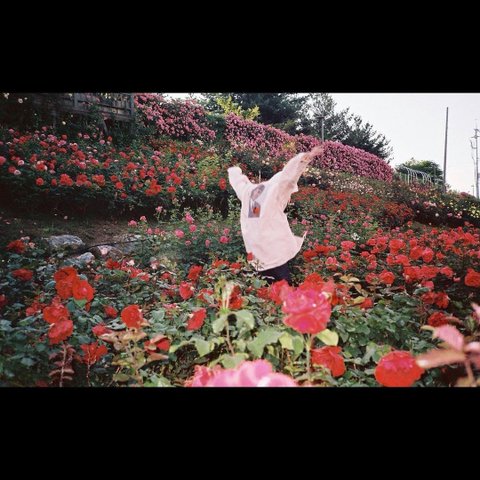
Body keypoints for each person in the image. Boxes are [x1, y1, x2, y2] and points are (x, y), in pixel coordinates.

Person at [228, 144, 324, 285]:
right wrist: (305, 158)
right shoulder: (275, 190)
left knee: (264, 288)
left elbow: (238, 183)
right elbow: (288, 176)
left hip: (257, 253)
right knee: (284, 288)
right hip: (273, 251)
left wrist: (234, 171)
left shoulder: (249, 192)